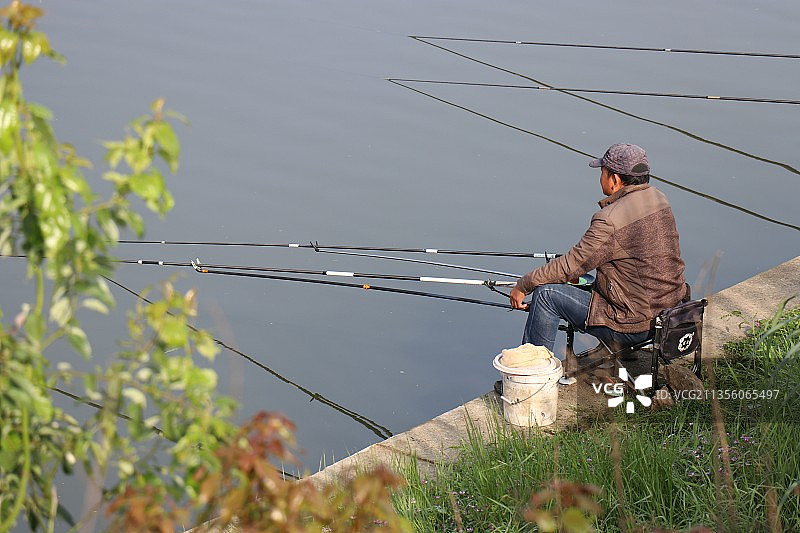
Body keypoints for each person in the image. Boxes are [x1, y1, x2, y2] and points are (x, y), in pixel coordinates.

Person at [508, 143, 686, 368]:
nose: (600, 177)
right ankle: (617, 352)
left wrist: (524, 285)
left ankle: (531, 372)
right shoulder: (659, 199)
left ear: (615, 179)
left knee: (546, 295)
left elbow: (571, 265)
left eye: (602, 172)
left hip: (635, 324)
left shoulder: (610, 219)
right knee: (586, 280)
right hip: (670, 312)